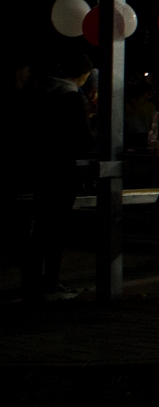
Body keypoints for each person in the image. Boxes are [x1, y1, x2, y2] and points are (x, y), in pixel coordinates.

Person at [23, 51, 95, 302]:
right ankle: (50, 284)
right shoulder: (72, 96)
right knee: (55, 227)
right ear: (83, 74)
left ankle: (33, 280)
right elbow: (83, 138)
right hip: (63, 169)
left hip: (40, 166)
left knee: (42, 226)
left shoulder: (38, 90)